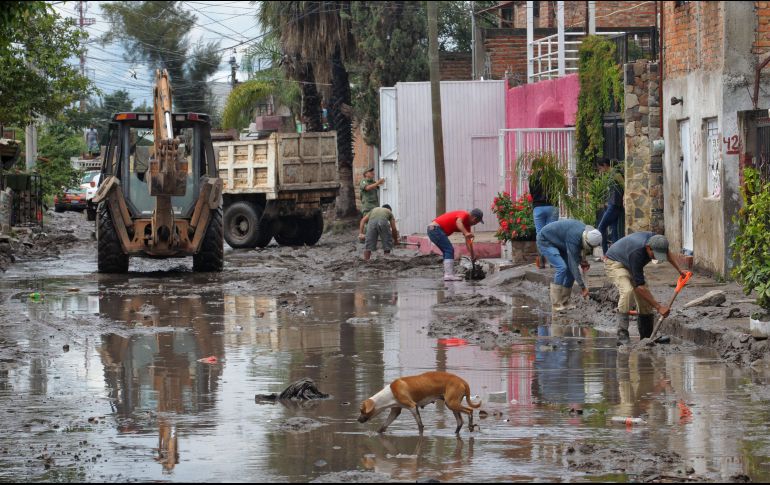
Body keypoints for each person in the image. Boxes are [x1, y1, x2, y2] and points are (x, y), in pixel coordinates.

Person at [604, 232, 687, 345]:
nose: (656, 257)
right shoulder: (637, 253)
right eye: (654, 255)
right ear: (648, 248)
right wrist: (659, 307)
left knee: (645, 301)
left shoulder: (658, 241)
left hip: (630, 261)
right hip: (615, 262)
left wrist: (680, 270)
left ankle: (647, 338)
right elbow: (639, 288)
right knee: (628, 291)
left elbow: (667, 253)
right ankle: (622, 337)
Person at [536, 219, 602, 312]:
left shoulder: (584, 233)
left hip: (560, 243)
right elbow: (573, 265)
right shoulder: (574, 237)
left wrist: (581, 261)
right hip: (545, 241)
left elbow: (576, 252)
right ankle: (556, 303)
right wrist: (583, 287)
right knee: (562, 268)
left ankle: (564, 301)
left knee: (570, 272)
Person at [427, 208, 484, 281]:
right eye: (477, 222)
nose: (475, 224)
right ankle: (448, 275)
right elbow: (458, 222)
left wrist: (472, 256)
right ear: (475, 218)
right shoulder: (464, 214)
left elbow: (468, 242)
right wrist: (466, 233)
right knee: (449, 250)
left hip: (434, 230)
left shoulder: (467, 226)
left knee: (446, 251)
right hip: (435, 229)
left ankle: (449, 273)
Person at [529, 164, 559, 269]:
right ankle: (553, 261)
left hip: (538, 208)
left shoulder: (532, 178)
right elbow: (558, 190)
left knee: (540, 234)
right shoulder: (552, 176)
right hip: (552, 206)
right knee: (551, 234)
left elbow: (532, 193)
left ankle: (541, 261)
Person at [595, 158, 625, 258]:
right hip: (613, 204)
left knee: (601, 227)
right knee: (614, 228)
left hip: (614, 204)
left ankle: (605, 253)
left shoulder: (615, 174)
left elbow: (624, 185)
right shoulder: (609, 175)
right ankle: (615, 254)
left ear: (604, 165)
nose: (600, 170)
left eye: (600, 168)